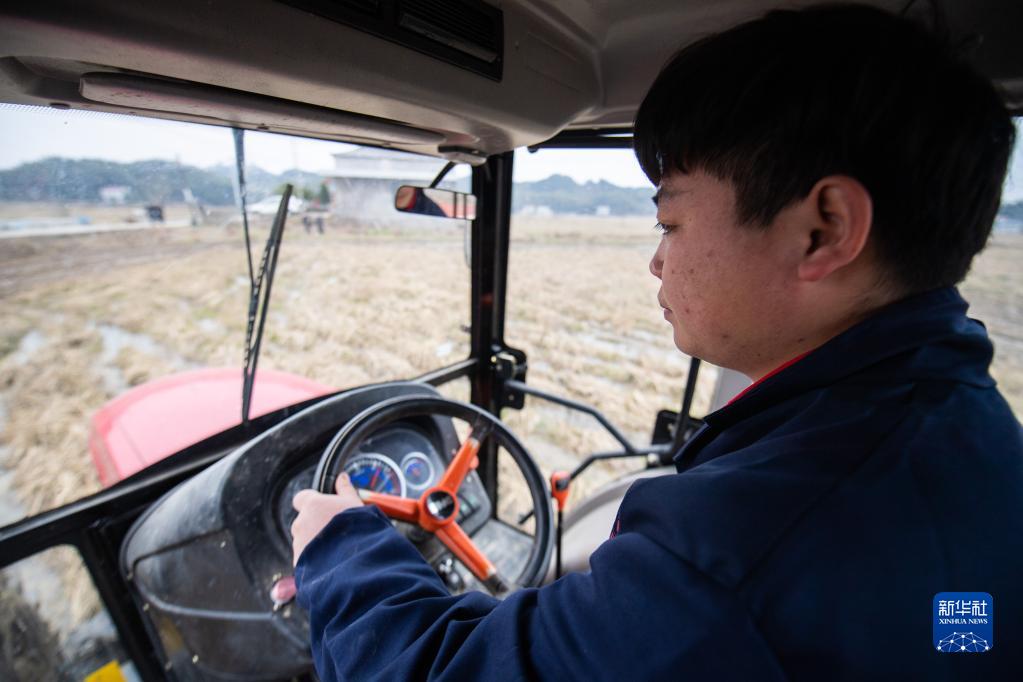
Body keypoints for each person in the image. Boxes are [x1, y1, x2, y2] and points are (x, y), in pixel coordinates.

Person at [290, 4, 1023, 679]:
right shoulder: (959, 421)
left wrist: (340, 547)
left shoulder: (740, 548)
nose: (656, 260)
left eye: (669, 222)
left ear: (822, 229)